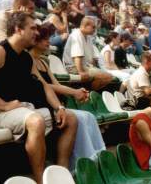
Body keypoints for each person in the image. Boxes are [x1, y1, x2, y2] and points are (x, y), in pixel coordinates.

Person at [0, 12, 78, 184]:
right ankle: (41, 179)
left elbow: (44, 86)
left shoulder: (26, 57)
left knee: (70, 118)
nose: (37, 32)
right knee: (36, 121)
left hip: (20, 110)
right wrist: (3, 105)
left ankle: (60, 174)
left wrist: (59, 108)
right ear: (18, 29)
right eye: (32, 28)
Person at [29, 24, 106, 169]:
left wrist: (78, 92)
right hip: (39, 104)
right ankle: (73, 165)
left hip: (52, 103)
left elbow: (56, 85)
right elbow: (43, 86)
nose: (49, 42)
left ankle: (92, 160)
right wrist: (74, 92)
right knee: (79, 118)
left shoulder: (44, 62)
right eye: (45, 39)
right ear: (36, 40)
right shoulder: (28, 60)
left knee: (88, 116)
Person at [63, 16, 112, 91]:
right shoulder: (76, 35)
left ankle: (88, 92)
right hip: (73, 68)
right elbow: (77, 57)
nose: (95, 29)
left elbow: (92, 59)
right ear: (85, 26)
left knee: (108, 76)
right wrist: (81, 72)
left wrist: (95, 68)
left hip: (85, 66)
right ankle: (89, 92)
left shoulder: (88, 37)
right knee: (106, 77)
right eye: (93, 27)